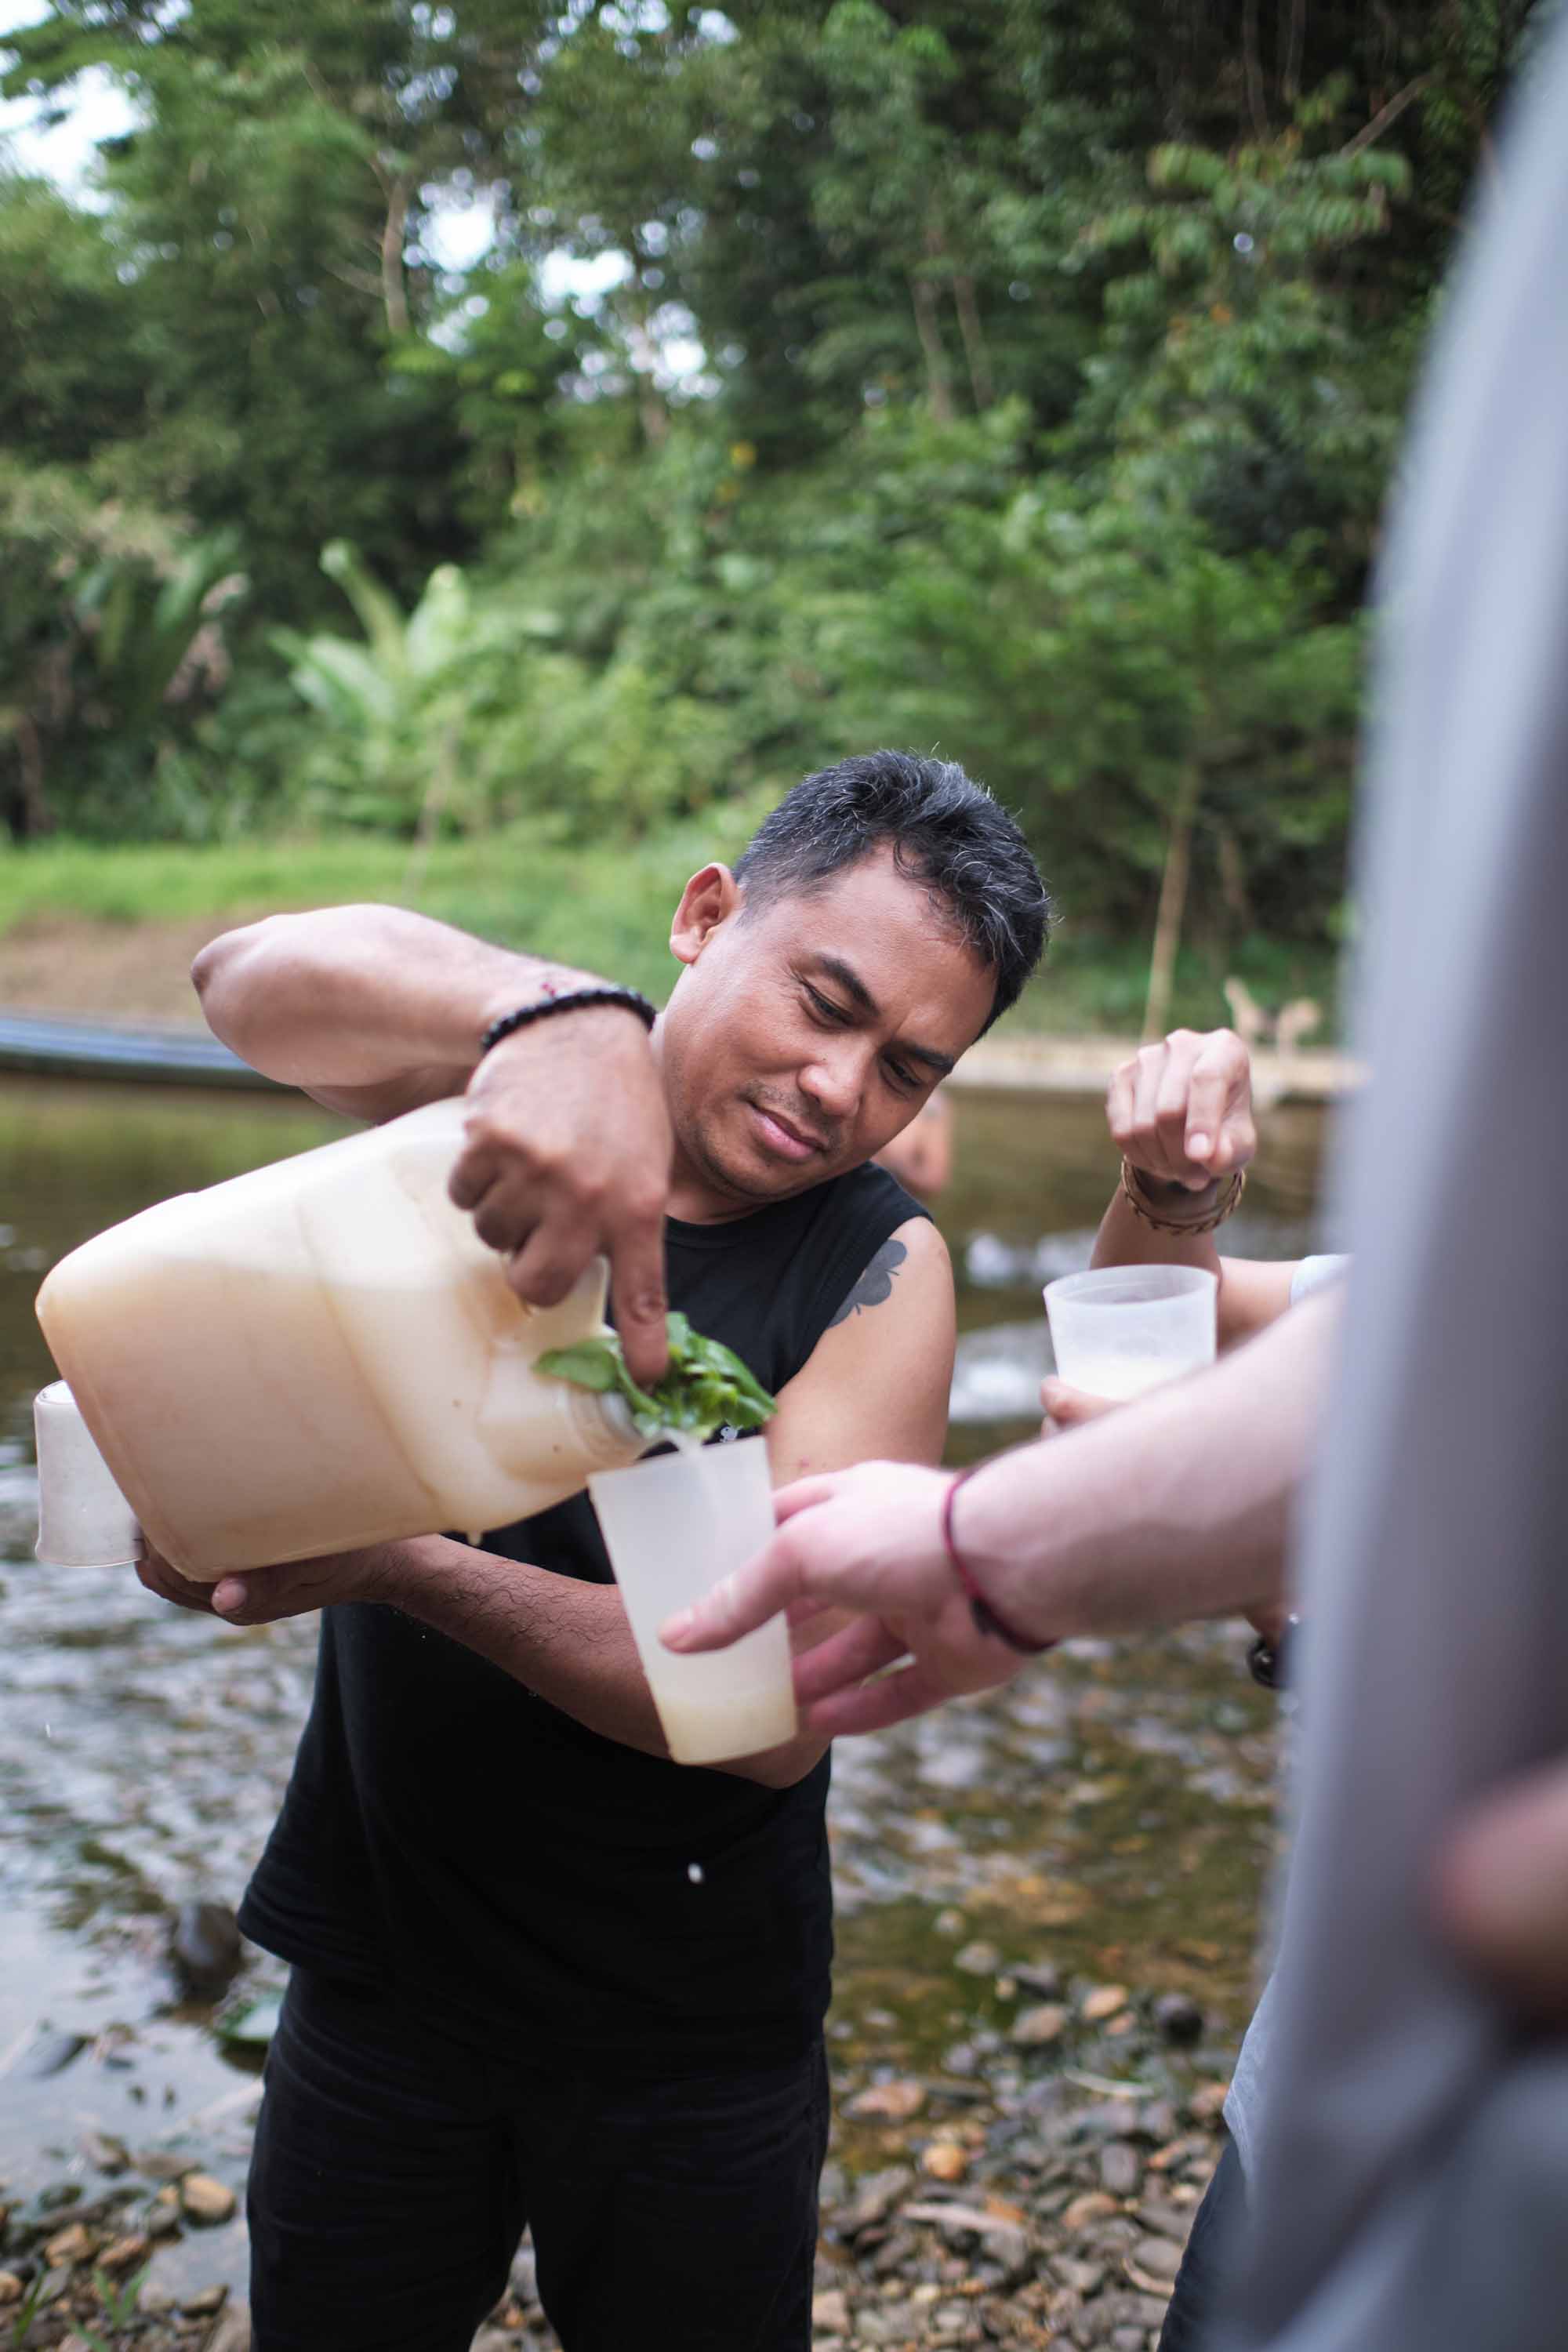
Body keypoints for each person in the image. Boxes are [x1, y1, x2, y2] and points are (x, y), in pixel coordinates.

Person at [134, 749, 1051, 2352]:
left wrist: (389, 1561)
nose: (844, 1089)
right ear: (708, 914)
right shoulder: (500, 1109)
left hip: (691, 2032)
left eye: (908, 1066)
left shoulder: (878, 1274)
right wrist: (550, 1014)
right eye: (824, 1003)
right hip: (382, 1967)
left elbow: (767, 1716)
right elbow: (240, 986)